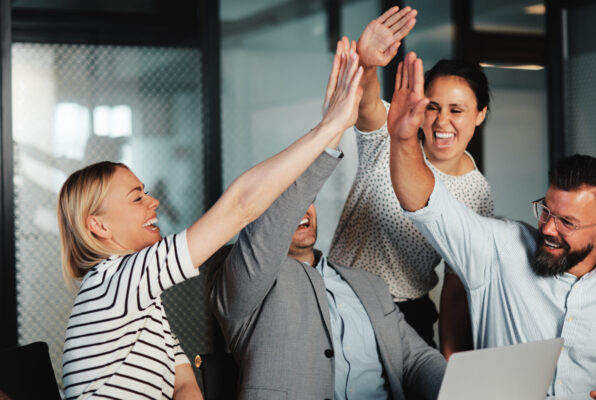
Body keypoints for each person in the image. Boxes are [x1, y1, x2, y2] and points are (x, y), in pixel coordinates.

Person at [57, 40, 364, 400]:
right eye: (137, 197)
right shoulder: (114, 283)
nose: (153, 201)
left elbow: (185, 384)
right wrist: (328, 128)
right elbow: (240, 206)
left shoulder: (139, 296)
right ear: (99, 226)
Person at [386, 51, 596, 398]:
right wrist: (404, 139)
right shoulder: (499, 246)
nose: (547, 228)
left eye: (567, 223)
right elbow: (426, 202)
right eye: (546, 210)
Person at [206, 146, 446, 400]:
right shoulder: (236, 272)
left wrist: (459, 386)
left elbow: (416, 359)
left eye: (308, 199)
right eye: (285, 202)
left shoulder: (368, 284)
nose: (303, 209)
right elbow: (262, 243)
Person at [329, 6, 493, 356]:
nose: (441, 121)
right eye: (433, 107)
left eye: (457, 109)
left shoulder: (477, 193)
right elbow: (368, 102)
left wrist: (450, 361)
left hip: (407, 316)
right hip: (340, 299)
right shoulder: (395, 129)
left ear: (480, 115)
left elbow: (456, 284)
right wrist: (367, 62)